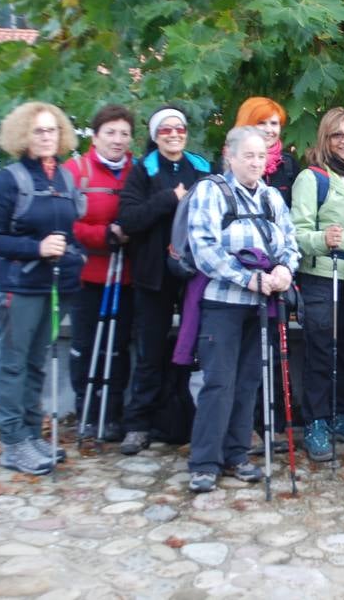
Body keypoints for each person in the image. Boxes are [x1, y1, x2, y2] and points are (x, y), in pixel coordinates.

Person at [184, 127, 300, 493]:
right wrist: (247, 279)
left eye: (261, 156)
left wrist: (284, 271)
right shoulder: (211, 191)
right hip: (223, 303)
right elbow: (204, 249)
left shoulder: (271, 198)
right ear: (229, 156)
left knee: (249, 380)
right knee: (219, 381)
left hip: (261, 305)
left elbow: (290, 243)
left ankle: (236, 454)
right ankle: (204, 462)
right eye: (248, 155)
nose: (255, 162)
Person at [0, 102, 86, 475]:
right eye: (38, 131)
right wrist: (36, 249)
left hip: (53, 286)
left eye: (52, 130)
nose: (46, 137)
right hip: (19, 285)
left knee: (36, 363)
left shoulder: (63, 179)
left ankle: (31, 434)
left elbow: (70, 228)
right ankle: (13, 443)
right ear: (23, 135)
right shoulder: (10, 180)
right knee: (13, 364)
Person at [117, 105, 212, 455]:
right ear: (155, 136)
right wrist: (169, 199)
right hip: (153, 276)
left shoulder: (201, 167)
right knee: (150, 351)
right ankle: (138, 423)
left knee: (195, 351)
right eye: (166, 130)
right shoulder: (143, 170)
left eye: (179, 129)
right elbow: (128, 219)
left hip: (192, 276)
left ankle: (190, 418)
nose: (174, 135)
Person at [289, 107, 344, 462]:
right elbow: (295, 233)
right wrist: (321, 239)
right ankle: (317, 422)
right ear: (326, 138)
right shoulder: (312, 178)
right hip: (324, 274)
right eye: (338, 135)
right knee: (322, 349)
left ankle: (342, 415)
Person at [65, 104, 135, 443]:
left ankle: (112, 413)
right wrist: (105, 235)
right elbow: (65, 223)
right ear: (95, 136)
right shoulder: (76, 170)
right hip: (88, 275)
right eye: (110, 133)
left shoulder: (137, 170)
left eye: (124, 133)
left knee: (118, 348)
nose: (117, 140)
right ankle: (87, 412)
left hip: (125, 277)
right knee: (84, 346)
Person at [234, 97, 301, 208]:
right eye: (261, 123)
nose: (269, 130)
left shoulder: (288, 164)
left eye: (274, 123)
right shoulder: (230, 164)